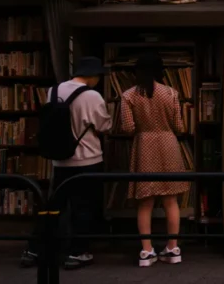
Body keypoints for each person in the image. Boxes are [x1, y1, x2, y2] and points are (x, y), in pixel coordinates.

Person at [21, 57, 112, 270]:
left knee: (54, 206)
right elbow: (104, 125)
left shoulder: (54, 91)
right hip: (87, 158)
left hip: (60, 159)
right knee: (84, 207)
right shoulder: (92, 96)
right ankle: (77, 252)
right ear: (93, 75)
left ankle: (33, 249)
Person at [119, 53, 189, 267]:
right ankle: (173, 248)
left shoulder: (128, 95)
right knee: (171, 201)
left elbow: (128, 128)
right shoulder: (171, 93)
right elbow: (180, 127)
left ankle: (146, 251)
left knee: (145, 202)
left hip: (144, 147)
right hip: (168, 145)